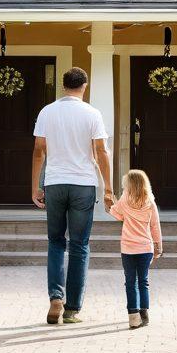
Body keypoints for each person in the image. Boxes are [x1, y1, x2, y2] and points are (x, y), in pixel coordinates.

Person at [31, 66, 114, 325]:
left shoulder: (47, 111)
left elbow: (38, 151)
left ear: (63, 86)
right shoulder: (92, 113)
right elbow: (101, 151)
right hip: (83, 185)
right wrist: (108, 189)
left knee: (56, 241)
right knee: (79, 245)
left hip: (55, 184)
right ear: (84, 86)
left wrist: (35, 186)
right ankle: (72, 309)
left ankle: (56, 297)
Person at [108, 169, 162, 329]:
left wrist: (111, 203)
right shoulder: (150, 203)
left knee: (130, 282)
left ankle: (133, 316)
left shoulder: (124, 201)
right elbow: (155, 226)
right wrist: (158, 246)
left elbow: (116, 214)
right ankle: (144, 314)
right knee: (143, 281)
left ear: (129, 185)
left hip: (128, 248)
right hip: (146, 247)